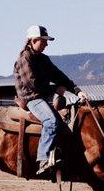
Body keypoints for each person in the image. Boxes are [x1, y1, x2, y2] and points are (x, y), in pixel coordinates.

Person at [13, 25, 88, 175]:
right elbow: (32, 84)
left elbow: (59, 76)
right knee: (51, 121)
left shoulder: (43, 59)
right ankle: (43, 159)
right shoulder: (25, 58)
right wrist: (55, 89)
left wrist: (77, 91)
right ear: (33, 40)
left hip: (41, 96)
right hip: (31, 98)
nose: (46, 44)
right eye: (44, 41)